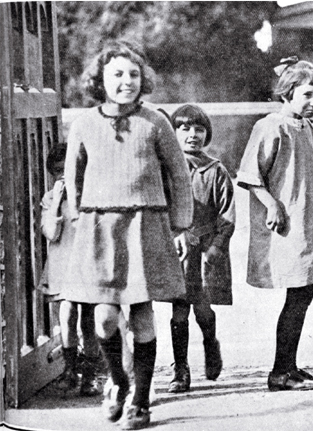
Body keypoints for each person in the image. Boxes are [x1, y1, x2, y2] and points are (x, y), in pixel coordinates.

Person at [63, 40, 192, 430]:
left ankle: (140, 401)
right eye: (117, 74)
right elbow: (73, 177)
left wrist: (180, 225)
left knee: (142, 315)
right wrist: (78, 218)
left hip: (146, 227)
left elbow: (179, 177)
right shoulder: (84, 123)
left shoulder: (156, 122)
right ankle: (119, 383)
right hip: (100, 228)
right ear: (100, 79)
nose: (127, 81)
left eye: (134, 74)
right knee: (103, 319)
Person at [237, 58, 313, 391]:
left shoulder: (304, 127)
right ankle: (280, 372)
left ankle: (289, 367)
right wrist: (272, 204)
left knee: (303, 294)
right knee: (299, 294)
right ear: (288, 93)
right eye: (307, 94)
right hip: (287, 225)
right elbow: (250, 176)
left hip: (307, 220)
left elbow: (297, 170)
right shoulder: (271, 126)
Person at [166, 104, 235, 393]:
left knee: (203, 309)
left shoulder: (215, 170)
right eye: (184, 129)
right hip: (179, 249)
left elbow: (227, 214)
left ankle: (211, 344)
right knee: (179, 310)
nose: (192, 135)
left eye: (199, 129)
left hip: (206, 249)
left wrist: (217, 245)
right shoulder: (167, 168)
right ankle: (180, 369)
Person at [38, 143, 101, 397]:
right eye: (56, 171)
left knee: (89, 319)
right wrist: (56, 205)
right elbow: (51, 233)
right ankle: (69, 370)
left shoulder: (92, 195)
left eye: (67, 168)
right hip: (63, 268)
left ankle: (90, 374)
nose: (62, 175)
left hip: (87, 266)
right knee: (66, 315)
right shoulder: (49, 198)